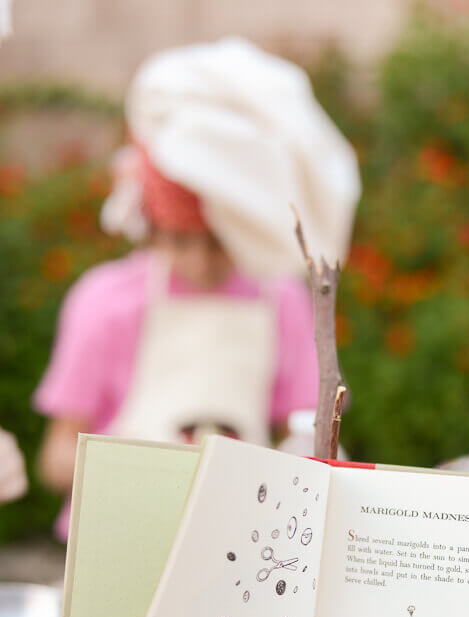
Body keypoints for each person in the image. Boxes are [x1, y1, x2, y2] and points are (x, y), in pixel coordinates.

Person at [34, 38, 360, 540]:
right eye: (181, 241)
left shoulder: (283, 302)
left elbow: (304, 436)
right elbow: (56, 458)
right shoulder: (105, 301)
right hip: (115, 537)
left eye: (218, 243)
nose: (200, 261)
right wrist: (140, 479)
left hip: (230, 544)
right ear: (152, 226)